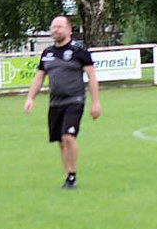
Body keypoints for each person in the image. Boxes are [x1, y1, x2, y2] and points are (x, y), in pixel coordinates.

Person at [24, 16, 101, 189]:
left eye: (59, 27)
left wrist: (95, 103)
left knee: (68, 136)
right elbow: (39, 77)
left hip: (75, 100)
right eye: (53, 27)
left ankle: (72, 176)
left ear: (69, 30)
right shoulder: (47, 53)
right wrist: (30, 98)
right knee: (60, 141)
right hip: (55, 103)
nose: (55, 30)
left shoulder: (79, 50)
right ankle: (68, 175)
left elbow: (92, 77)